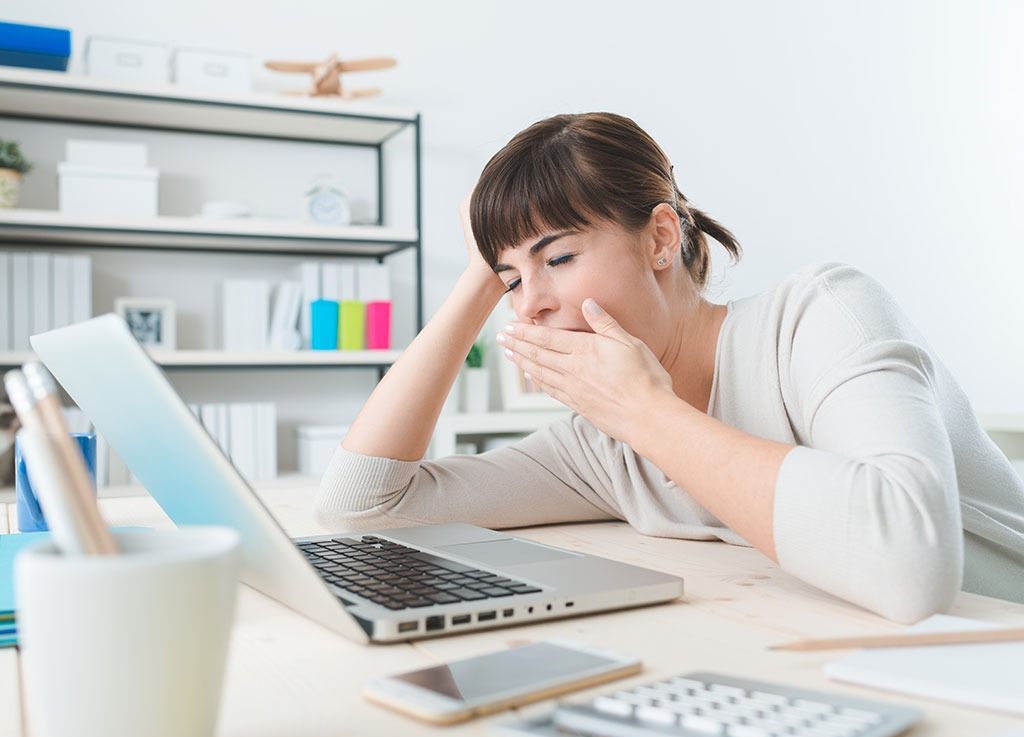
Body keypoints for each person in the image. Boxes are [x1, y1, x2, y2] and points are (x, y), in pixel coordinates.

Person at [315, 112, 1024, 623]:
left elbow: (911, 569)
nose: (529, 304)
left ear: (660, 236)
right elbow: (361, 506)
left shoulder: (819, 316)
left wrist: (647, 414)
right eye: (510, 282)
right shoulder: (604, 447)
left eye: (558, 258)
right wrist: (477, 275)